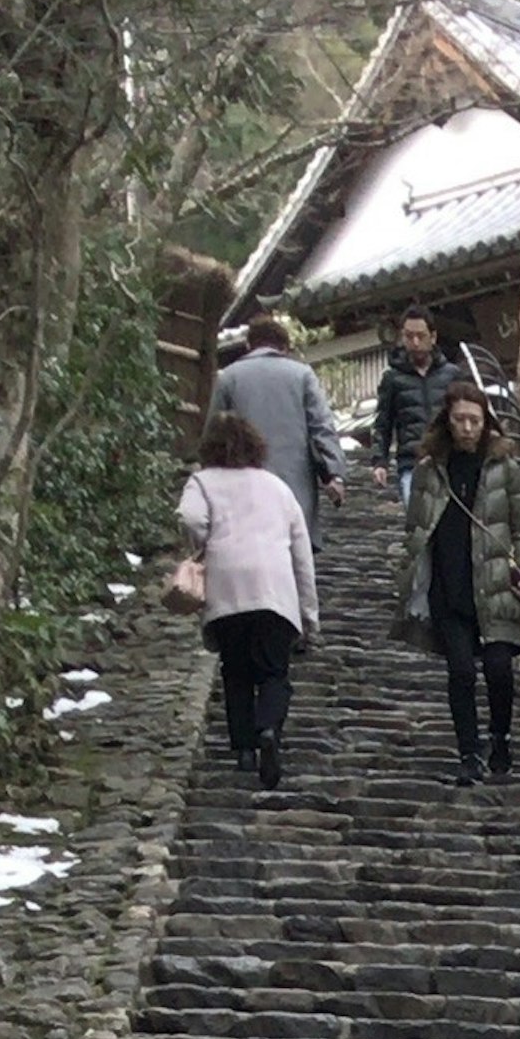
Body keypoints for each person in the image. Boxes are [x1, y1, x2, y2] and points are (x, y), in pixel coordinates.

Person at [396, 378, 520, 783]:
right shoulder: (429, 471)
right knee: (460, 671)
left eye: (475, 420)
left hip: (497, 587)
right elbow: (415, 528)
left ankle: (501, 737)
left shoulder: (506, 469)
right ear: (448, 421)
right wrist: (410, 570)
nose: (468, 428)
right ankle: (469, 752)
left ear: (486, 422)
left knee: (499, 670)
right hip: (449, 586)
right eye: (460, 420)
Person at [179, 403, 317, 788]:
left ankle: (243, 750)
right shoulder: (277, 486)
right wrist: (309, 613)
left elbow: (190, 517)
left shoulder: (202, 482)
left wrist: (204, 544)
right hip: (274, 589)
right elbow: (301, 554)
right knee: (275, 672)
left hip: (227, 587)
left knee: (235, 671)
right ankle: (269, 728)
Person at [212, 311, 341, 521]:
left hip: (243, 488)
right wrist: (334, 474)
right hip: (296, 488)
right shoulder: (302, 375)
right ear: (284, 347)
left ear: (248, 345)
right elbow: (321, 426)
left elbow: (215, 436)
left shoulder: (228, 378)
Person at [371, 305, 457, 494]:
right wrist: (380, 462)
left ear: (433, 337)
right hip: (412, 463)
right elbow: (383, 423)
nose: (415, 342)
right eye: (409, 336)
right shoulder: (392, 379)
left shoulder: (452, 375)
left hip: (449, 461)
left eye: (421, 336)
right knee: (417, 521)